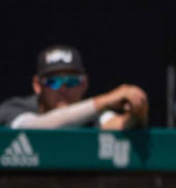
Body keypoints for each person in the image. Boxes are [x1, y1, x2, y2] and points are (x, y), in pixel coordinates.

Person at [0, 45, 148, 130]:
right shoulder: (14, 108)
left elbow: (117, 124)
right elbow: (35, 127)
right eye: (53, 82)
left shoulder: (91, 115)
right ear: (38, 85)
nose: (63, 89)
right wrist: (104, 101)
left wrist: (136, 115)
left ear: (84, 84)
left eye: (72, 82)